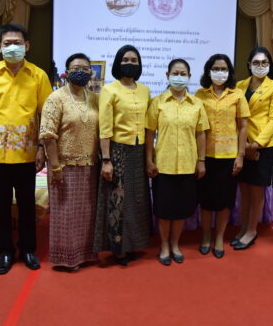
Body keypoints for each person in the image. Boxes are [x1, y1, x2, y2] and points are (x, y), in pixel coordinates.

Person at [0, 23, 53, 275]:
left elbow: (46, 115)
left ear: (27, 46)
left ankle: (28, 249)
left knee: (27, 206)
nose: (13, 47)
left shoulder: (38, 75)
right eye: (7, 43)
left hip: (27, 154)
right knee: (1, 206)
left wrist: (42, 148)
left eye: (18, 43)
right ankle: (5, 251)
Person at [145, 59, 209, 266]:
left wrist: (201, 161)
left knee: (181, 209)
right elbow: (149, 134)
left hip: (188, 165)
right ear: (167, 75)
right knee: (164, 210)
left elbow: (201, 134)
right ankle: (164, 245)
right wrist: (149, 160)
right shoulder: (157, 102)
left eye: (183, 74)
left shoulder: (196, 104)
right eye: (175, 73)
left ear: (189, 77)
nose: (179, 77)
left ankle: (175, 244)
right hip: (163, 165)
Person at [40, 53, 99, 272]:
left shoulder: (95, 99)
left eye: (85, 69)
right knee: (65, 215)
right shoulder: (56, 98)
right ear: (67, 72)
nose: (80, 72)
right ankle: (66, 258)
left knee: (86, 214)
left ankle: (86, 254)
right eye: (76, 68)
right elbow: (48, 135)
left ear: (91, 73)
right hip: (63, 167)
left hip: (90, 166)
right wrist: (55, 166)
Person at [94, 45, 152, 266]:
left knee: (136, 201)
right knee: (117, 201)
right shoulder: (110, 90)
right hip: (117, 151)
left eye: (134, 60)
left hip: (139, 151)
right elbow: (105, 128)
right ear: (118, 63)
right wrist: (106, 160)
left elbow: (148, 124)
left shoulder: (145, 90)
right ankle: (117, 248)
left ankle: (132, 244)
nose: (130, 63)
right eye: (125, 59)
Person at [195, 54, 249, 258]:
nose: (220, 72)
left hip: (229, 156)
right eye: (216, 69)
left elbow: (243, 127)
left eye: (223, 69)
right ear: (208, 71)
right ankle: (206, 236)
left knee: (225, 200)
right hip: (205, 155)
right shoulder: (200, 94)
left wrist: (240, 156)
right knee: (206, 199)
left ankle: (219, 237)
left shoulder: (237, 95)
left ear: (229, 72)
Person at [234, 47, 273, 250]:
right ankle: (244, 227)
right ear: (249, 64)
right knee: (244, 190)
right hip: (241, 144)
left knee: (256, 191)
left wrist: (255, 144)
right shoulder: (240, 85)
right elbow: (235, 116)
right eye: (256, 62)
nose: (260, 66)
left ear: (269, 65)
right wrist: (243, 144)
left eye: (264, 63)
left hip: (262, 146)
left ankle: (252, 230)